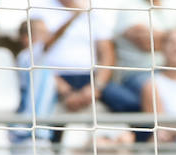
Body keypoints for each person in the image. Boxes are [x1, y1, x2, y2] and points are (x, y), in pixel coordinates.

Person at [14, 0, 116, 147]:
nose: (46, 35)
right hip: (30, 126)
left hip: (41, 124)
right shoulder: (29, 56)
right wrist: (74, 16)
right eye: (42, 33)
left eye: (46, 33)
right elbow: (47, 46)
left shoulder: (37, 57)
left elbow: (107, 52)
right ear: (26, 38)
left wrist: (93, 88)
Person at [101, 0, 176, 115]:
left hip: (169, 72)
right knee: (158, 90)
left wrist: (162, 38)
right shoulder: (129, 7)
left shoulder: (172, 9)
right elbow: (146, 42)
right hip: (138, 74)